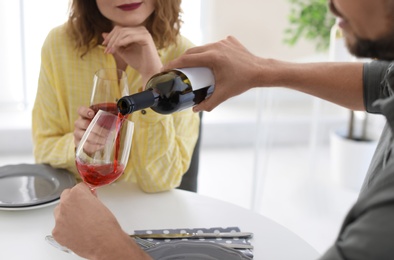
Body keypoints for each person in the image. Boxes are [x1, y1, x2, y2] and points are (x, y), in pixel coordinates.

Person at [53, 0, 394, 258]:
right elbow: (380, 83)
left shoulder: (384, 219)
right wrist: (263, 69)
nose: (331, 6)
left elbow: (163, 176)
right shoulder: (59, 47)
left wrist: (106, 246)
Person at [32, 0, 200, 193]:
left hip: (148, 211)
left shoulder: (184, 57)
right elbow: (43, 150)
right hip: (79, 205)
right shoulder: (59, 45)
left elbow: (162, 181)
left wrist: (152, 78)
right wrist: (78, 145)